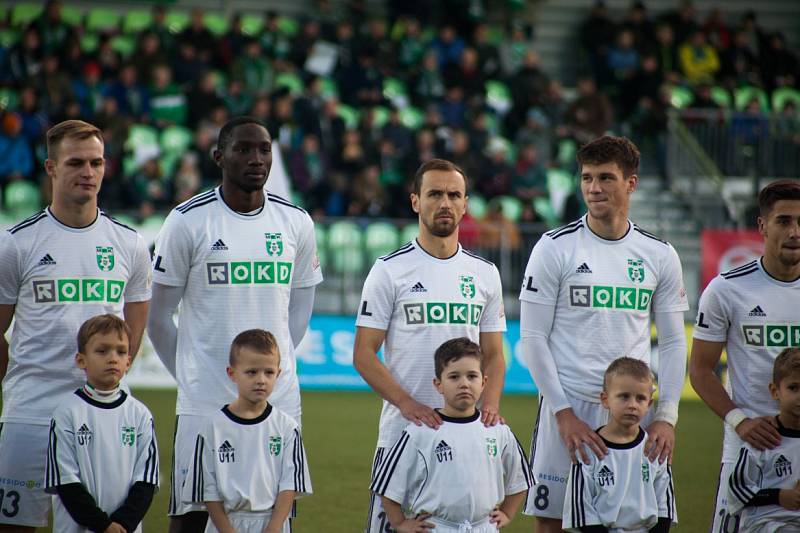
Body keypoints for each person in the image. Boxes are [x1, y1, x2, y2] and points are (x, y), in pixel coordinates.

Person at [147, 116, 322, 532]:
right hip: (204, 400)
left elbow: (299, 309)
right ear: (219, 157)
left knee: (272, 517)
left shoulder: (296, 222)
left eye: (263, 149)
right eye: (243, 149)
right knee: (190, 517)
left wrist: (268, 368)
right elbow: (158, 317)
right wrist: (192, 376)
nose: (256, 158)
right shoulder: (187, 221)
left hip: (277, 399)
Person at [519, 135, 688, 533]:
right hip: (569, 405)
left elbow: (674, 340)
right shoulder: (553, 248)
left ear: (631, 183)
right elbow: (533, 337)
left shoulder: (659, 254)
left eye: (606, 178)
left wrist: (666, 417)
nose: (594, 189)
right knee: (552, 524)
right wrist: (562, 413)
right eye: (587, 178)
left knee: (632, 522)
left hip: (628, 411)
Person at [0, 119, 151, 531]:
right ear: (51, 168)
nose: (88, 172)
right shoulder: (17, 243)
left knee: (97, 526)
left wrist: (111, 370)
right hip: (31, 412)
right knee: (15, 525)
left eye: (97, 162)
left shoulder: (129, 243)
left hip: (102, 415)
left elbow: (136, 313)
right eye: (76, 163)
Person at [354, 158, 507, 533]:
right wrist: (408, 404)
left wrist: (490, 406)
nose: (445, 203)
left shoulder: (485, 274)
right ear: (415, 202)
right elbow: (363, 353)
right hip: (403, 435)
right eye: (434, 194)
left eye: (454, 195)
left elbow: (494, 355)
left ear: (466, 204)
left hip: (466, 437)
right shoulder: (389, 269)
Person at [689, 179, 800, 533]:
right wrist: (741, 422)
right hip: (749, 448)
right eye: (784, 221)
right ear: (762, 226)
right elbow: (701, 370)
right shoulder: (727, 289)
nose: (795, 231)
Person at [372, 338, 532, 532]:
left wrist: (507, 512)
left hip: (484, 526)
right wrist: (400, 522)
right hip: (437, 526)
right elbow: (386, 484)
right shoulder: (420, 432)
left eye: (472, 376)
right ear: (438, 384)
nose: (464, 384)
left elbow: (521, 477)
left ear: (484, 382)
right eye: (454, 377)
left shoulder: (497, 430)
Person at [182, 329, 312, 533]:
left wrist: (275, 526)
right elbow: (208, 489)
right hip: (226, 524)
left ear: (278, 374)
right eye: (252, 372)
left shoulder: (287, 427)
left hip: (272, 524)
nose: (261, 380)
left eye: (268, 372)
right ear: (232, 373)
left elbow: (290, 484)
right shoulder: (213, 427)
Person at [45, 314, 159, 533]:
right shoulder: (66, 413)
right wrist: (104, 525)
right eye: (102, 351)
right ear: (81, 360)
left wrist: (122, 523)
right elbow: (66, 482)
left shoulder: (140, 414)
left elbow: (146, 482)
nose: (113, 358)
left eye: (121, 351)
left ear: (129, 361)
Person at [563, 357, 676, 532]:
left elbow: (665, 507)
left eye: (640, 398)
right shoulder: (588, 451)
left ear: (649, 404)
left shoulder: (655, 449)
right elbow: (582, 509)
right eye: (624, 396)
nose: (632, 405)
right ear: (605, 400)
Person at [727, 348, 800, 532]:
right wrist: (778, 496)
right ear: (775, 391)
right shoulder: (762, 439)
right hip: (768, 524)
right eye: (793, 388)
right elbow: (737, 489)